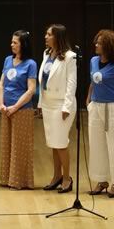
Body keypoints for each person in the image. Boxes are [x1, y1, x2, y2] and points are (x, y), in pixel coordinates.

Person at [87, 29, 114, 198]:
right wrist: (89, 100)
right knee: (97, 144)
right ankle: (101, 180)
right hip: (96, 107)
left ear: (108, 46)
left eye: (99, 43)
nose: (96, 45)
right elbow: (92, 82)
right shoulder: (93, 61)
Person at [38, 24, 77, 193]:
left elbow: (71, 82)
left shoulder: (70, 57)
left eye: (49, 34)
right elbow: (42, 81)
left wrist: (67, 106)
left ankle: (67, 179)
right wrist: (40, 103)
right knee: (53, 143)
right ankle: (56, 176)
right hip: (48, 103)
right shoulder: (46, 54)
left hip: (62, 105)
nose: (45, 37)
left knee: (61, 143)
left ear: (57, 37)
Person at [0, 30, 37, 190]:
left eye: (15, 42)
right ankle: (7, 178)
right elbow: (2, 84)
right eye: (12, 42)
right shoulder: (8, 60)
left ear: (23, 44)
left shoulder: (31, 64)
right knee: (7, 144)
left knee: (20, 146)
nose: (12, 45)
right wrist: (1, 104)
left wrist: (15, 107)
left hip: (22, 110)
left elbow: (31, 89)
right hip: (6, 109)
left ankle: (19, 180)